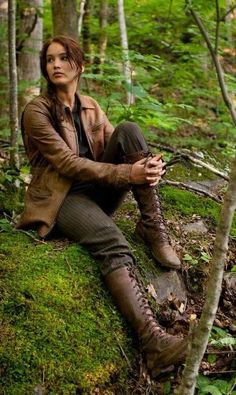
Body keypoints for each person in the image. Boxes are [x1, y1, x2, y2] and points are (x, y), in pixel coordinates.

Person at [16, 36, 186, 378]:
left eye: (64, 58)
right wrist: (129, 173)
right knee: (112, 241)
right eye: (50, 60)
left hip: (95, 193)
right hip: (59, 201)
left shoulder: (91, 105)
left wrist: (149, 167)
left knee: (130, 130)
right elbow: (67, 164)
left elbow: (119, 146)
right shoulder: (37, 111)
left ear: (80, 65)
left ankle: (153, 226)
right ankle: (153, 344)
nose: (56, 65)